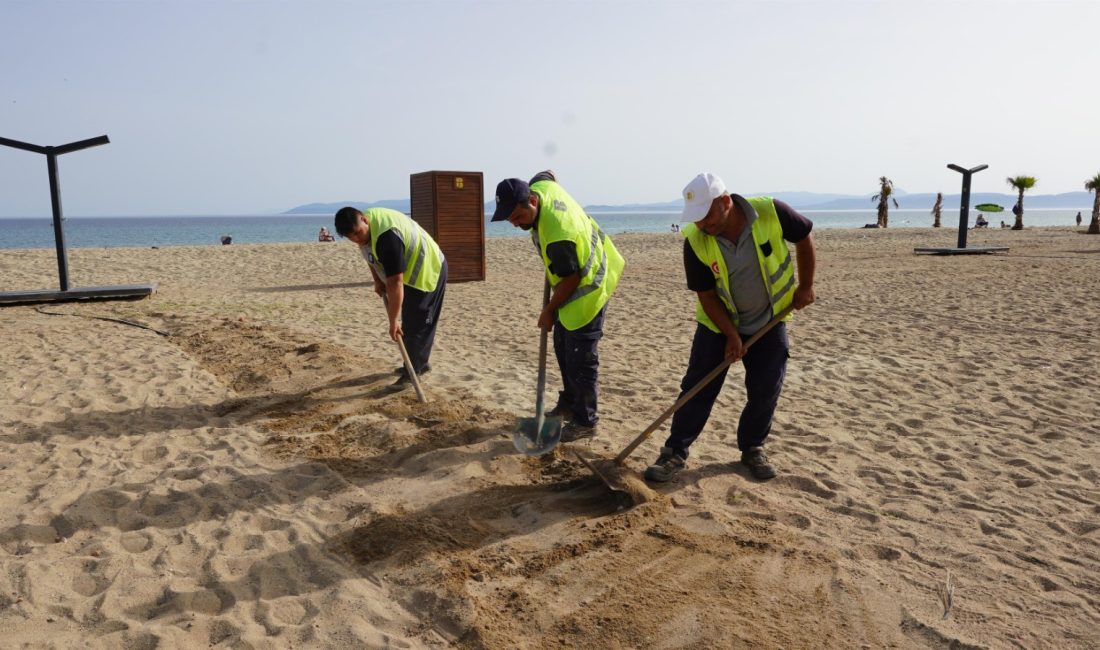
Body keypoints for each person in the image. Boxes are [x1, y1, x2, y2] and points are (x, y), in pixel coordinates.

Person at [644, 172, 816, 483]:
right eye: (696, 220)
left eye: (706, 217)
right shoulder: (695, 242)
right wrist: (732, 335)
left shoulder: (771, 212)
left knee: (765, 389)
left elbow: (804, 237)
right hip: (717, 323)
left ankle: (752, 449)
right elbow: (707, 296)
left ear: (726, 202)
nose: (701, 226)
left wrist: (806, 286)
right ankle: (674, 452)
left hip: (769, 319)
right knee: (697, 387)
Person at [491, 171, 625, 442]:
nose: (516, 224)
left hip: (589, 287)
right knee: (563, 347)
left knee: (580, 358)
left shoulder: (557, 234)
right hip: (578, 274)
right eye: (510, 220)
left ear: (532, 201)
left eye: (518, 217)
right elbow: (547, 174)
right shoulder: (542, 187)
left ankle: (586, 421)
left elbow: (571, 279)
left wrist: (549, 310)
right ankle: (569, 401)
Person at [333, 206, 447, 385]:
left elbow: (395, 283)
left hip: (427, 268)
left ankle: (414, 371)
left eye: (357, 233)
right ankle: (418, 363)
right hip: (407, 270)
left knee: (417, 321)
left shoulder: (387, 237)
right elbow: (368, 252)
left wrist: (394, 321)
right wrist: (378, 280)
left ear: (363, 219)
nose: (356, 239)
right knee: (410, 320)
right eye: (350, 237)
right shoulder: (367, 231)